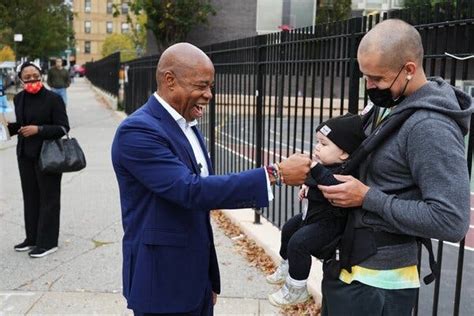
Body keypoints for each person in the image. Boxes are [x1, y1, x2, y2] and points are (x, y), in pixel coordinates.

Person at [111, 42, 311, 315]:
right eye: (201, 86)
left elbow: (201, 205)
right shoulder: (137, 131)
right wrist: (274, 173)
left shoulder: (186, 125)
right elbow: (189, 191)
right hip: (161, 284)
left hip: (196, 281)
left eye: (210, 86)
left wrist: (207, 279)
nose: (209, 95)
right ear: (170, 80)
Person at [317, 19, 473, 316]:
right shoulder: (390, 104)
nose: (369, 87)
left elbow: (451, 221)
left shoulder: (430, 127)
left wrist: (367, 197)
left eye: (376, 78)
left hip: (380, 284)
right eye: (364, 76)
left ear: (409, 70)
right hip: (350, 267)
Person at [266, 113, 366, 307]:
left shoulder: (345, 171)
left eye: (324, 144)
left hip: (328, 224)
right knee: (288, 229)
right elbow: (315, 179)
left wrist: (312, 167)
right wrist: (306, 185)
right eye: (317, 142)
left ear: (344, 153)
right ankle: (287, 266)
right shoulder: (326, 165)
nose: (317, 147)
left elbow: (331, 183)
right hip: (310, 216)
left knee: (298, 243)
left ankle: (297, 288)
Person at [7, 61, 69, 258]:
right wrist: (7, 128)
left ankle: (48, 242)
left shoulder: (53, 99)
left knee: (48, 199)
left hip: (48, 155)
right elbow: (22, 125)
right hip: (25, 155)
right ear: (21, 80)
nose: (32, 79)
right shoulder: (19, 98)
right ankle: (32, 238)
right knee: (31, 198)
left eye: (35, 75)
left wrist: (39, 130)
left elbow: (63, 128)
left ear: (41, 75)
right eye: (27, 77)